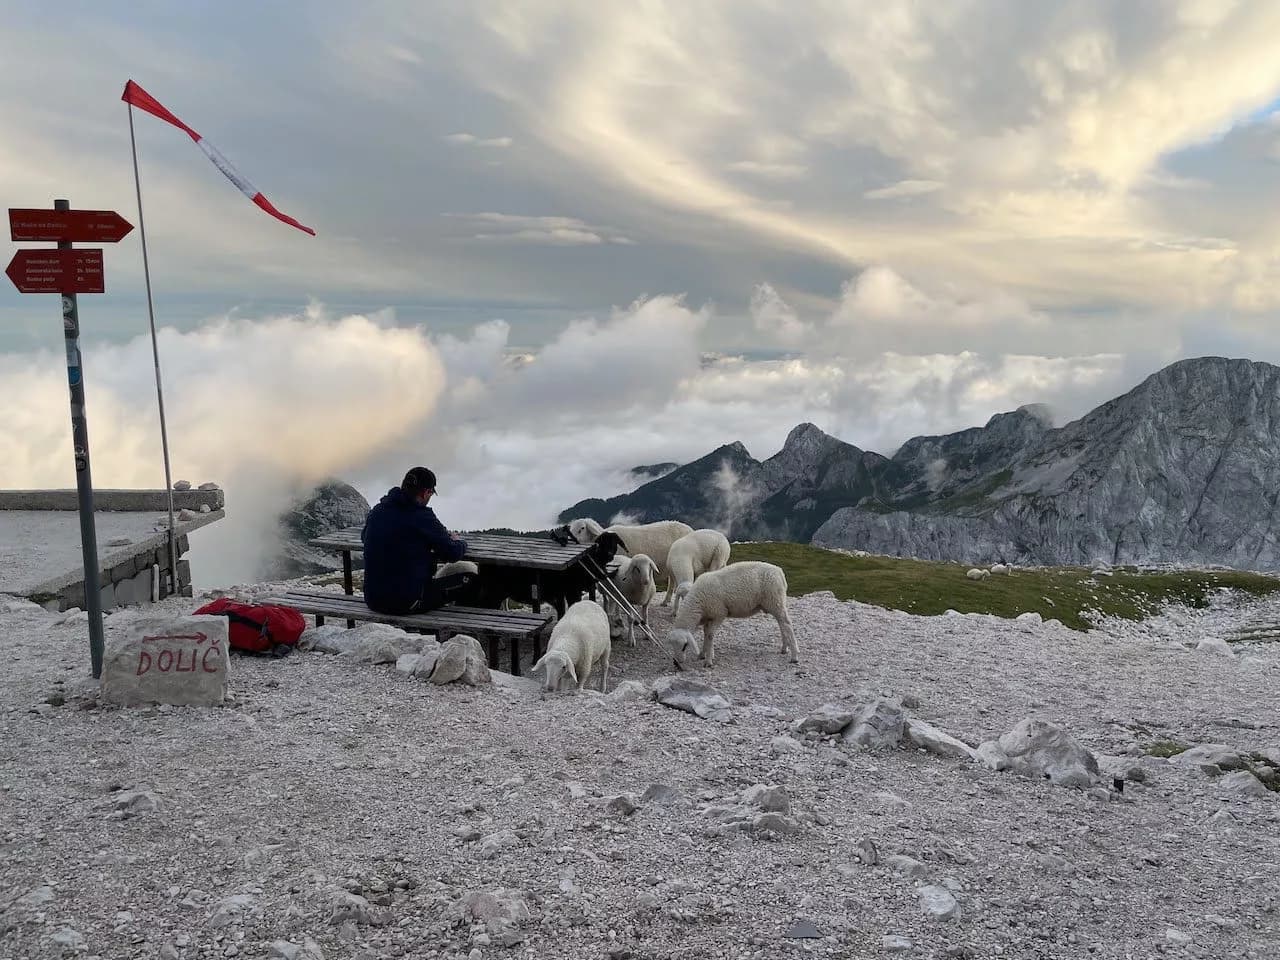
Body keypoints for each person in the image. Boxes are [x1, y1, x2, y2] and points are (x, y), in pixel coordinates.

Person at [361, 466, 478, 614]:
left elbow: (364, 537)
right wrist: (460, 542)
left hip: (373, 600)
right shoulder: (422, 517)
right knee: (472, 580)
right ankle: (460, 634)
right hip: (407, 602)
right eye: (430, 494)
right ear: (425, 492)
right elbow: (453, 553)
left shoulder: (378, 510)